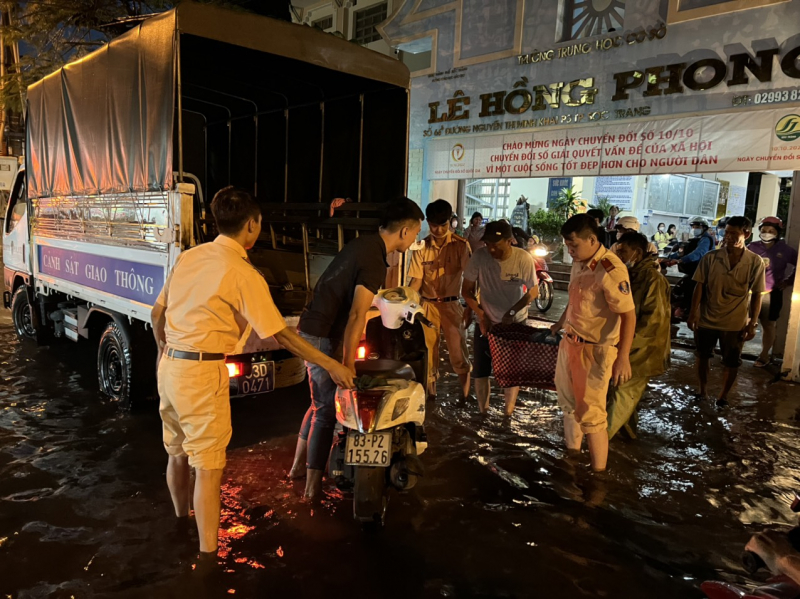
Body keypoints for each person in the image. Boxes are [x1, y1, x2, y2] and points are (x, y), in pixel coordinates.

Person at [151, 186, 355, 557]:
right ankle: (207, 559)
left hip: (170, 368)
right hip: (201, 373)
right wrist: (330, 363)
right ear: (252, 225)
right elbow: (280, 335)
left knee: (177, 453)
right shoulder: (242, 272)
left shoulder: (189, 257)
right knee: (209, 468)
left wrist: (163, 351)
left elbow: (156, 314)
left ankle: (180, 524)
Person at [288, 197, 424, 498]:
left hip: (313, 327)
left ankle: (298, 467)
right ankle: (311, 490)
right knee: (326, 412)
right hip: (323, 335)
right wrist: (347, 364)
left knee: (317, 402)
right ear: (404, 231)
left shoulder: (364, 246)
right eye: (416, 232)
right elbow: (356, 315)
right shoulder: (374, 259)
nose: (415, 239)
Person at [550, 214, 635, 472]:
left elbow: (628, 314)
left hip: (595, 350)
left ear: (592, 239)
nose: (570, 251)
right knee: (568, 405)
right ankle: (573, 458)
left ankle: (598, 476)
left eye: (573, 245)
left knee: (593, 416)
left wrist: (623, 357)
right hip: (570, 342)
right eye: (567, 245)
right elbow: (575, 299)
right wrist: (560, 323)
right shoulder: (581, 261)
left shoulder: (610, 269)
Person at [462, 220, 538, 415]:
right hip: (486, 320)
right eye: (487, 244)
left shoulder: (523, 259)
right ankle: (482, 412)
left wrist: (512, 312)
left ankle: (508, 413)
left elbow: (533, 291)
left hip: (515, 322)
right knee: (481, 369)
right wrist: (479, 313)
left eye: (496, 244)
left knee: (511, 371)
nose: (491, 249)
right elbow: (467, 291)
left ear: (510, 240)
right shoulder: (479, 257)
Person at [687, 216, 765, 405]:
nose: (728, 236)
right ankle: (702, 391)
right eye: (726, 232)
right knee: (702, 356)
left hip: (735, 322)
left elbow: (757, 294)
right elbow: (699, 287)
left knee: (731, 361)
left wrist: (752, 323)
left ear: (746, 234)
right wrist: (693, 313)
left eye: (733, 233)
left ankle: (723, 396)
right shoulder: (711, 258)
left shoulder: (755, 262)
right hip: (707, 318)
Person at [606, 232, 670, 440]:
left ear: (638, 252)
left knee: (622, 394)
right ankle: (627, 438)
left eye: (624, 251)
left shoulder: (653, 279)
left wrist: (626, 347)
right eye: (618, 250)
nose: (620, 255)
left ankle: (597, 444)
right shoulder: (631, 275)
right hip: (631, 347)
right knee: (623, 396)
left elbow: (654, 321)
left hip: (643, 351)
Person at [408, 199, 472, 400]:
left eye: (442, 225)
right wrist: (406, 304)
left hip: (452, 305)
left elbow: (470, 279)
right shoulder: (421, 247)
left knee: (458, 352)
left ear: (450, 221)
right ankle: (430, 396)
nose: (438, 230)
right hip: (427, 305)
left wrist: (472, 307)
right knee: (428, 353)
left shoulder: (461, 246)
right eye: (433, 225)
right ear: (428, 222)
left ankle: (465, 396)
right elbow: (416, 281)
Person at [747, 216, 798, 367]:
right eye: (763, 230)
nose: (766, 233)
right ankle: (736, 351)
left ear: (777, 232)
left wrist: (788, 281)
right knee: (745, 322)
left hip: (772, 294)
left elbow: (799, 265)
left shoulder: (785, 250)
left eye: (770, 231)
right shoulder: (752, 247)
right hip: (750, 293)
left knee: (768, 325)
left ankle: (764, 355)